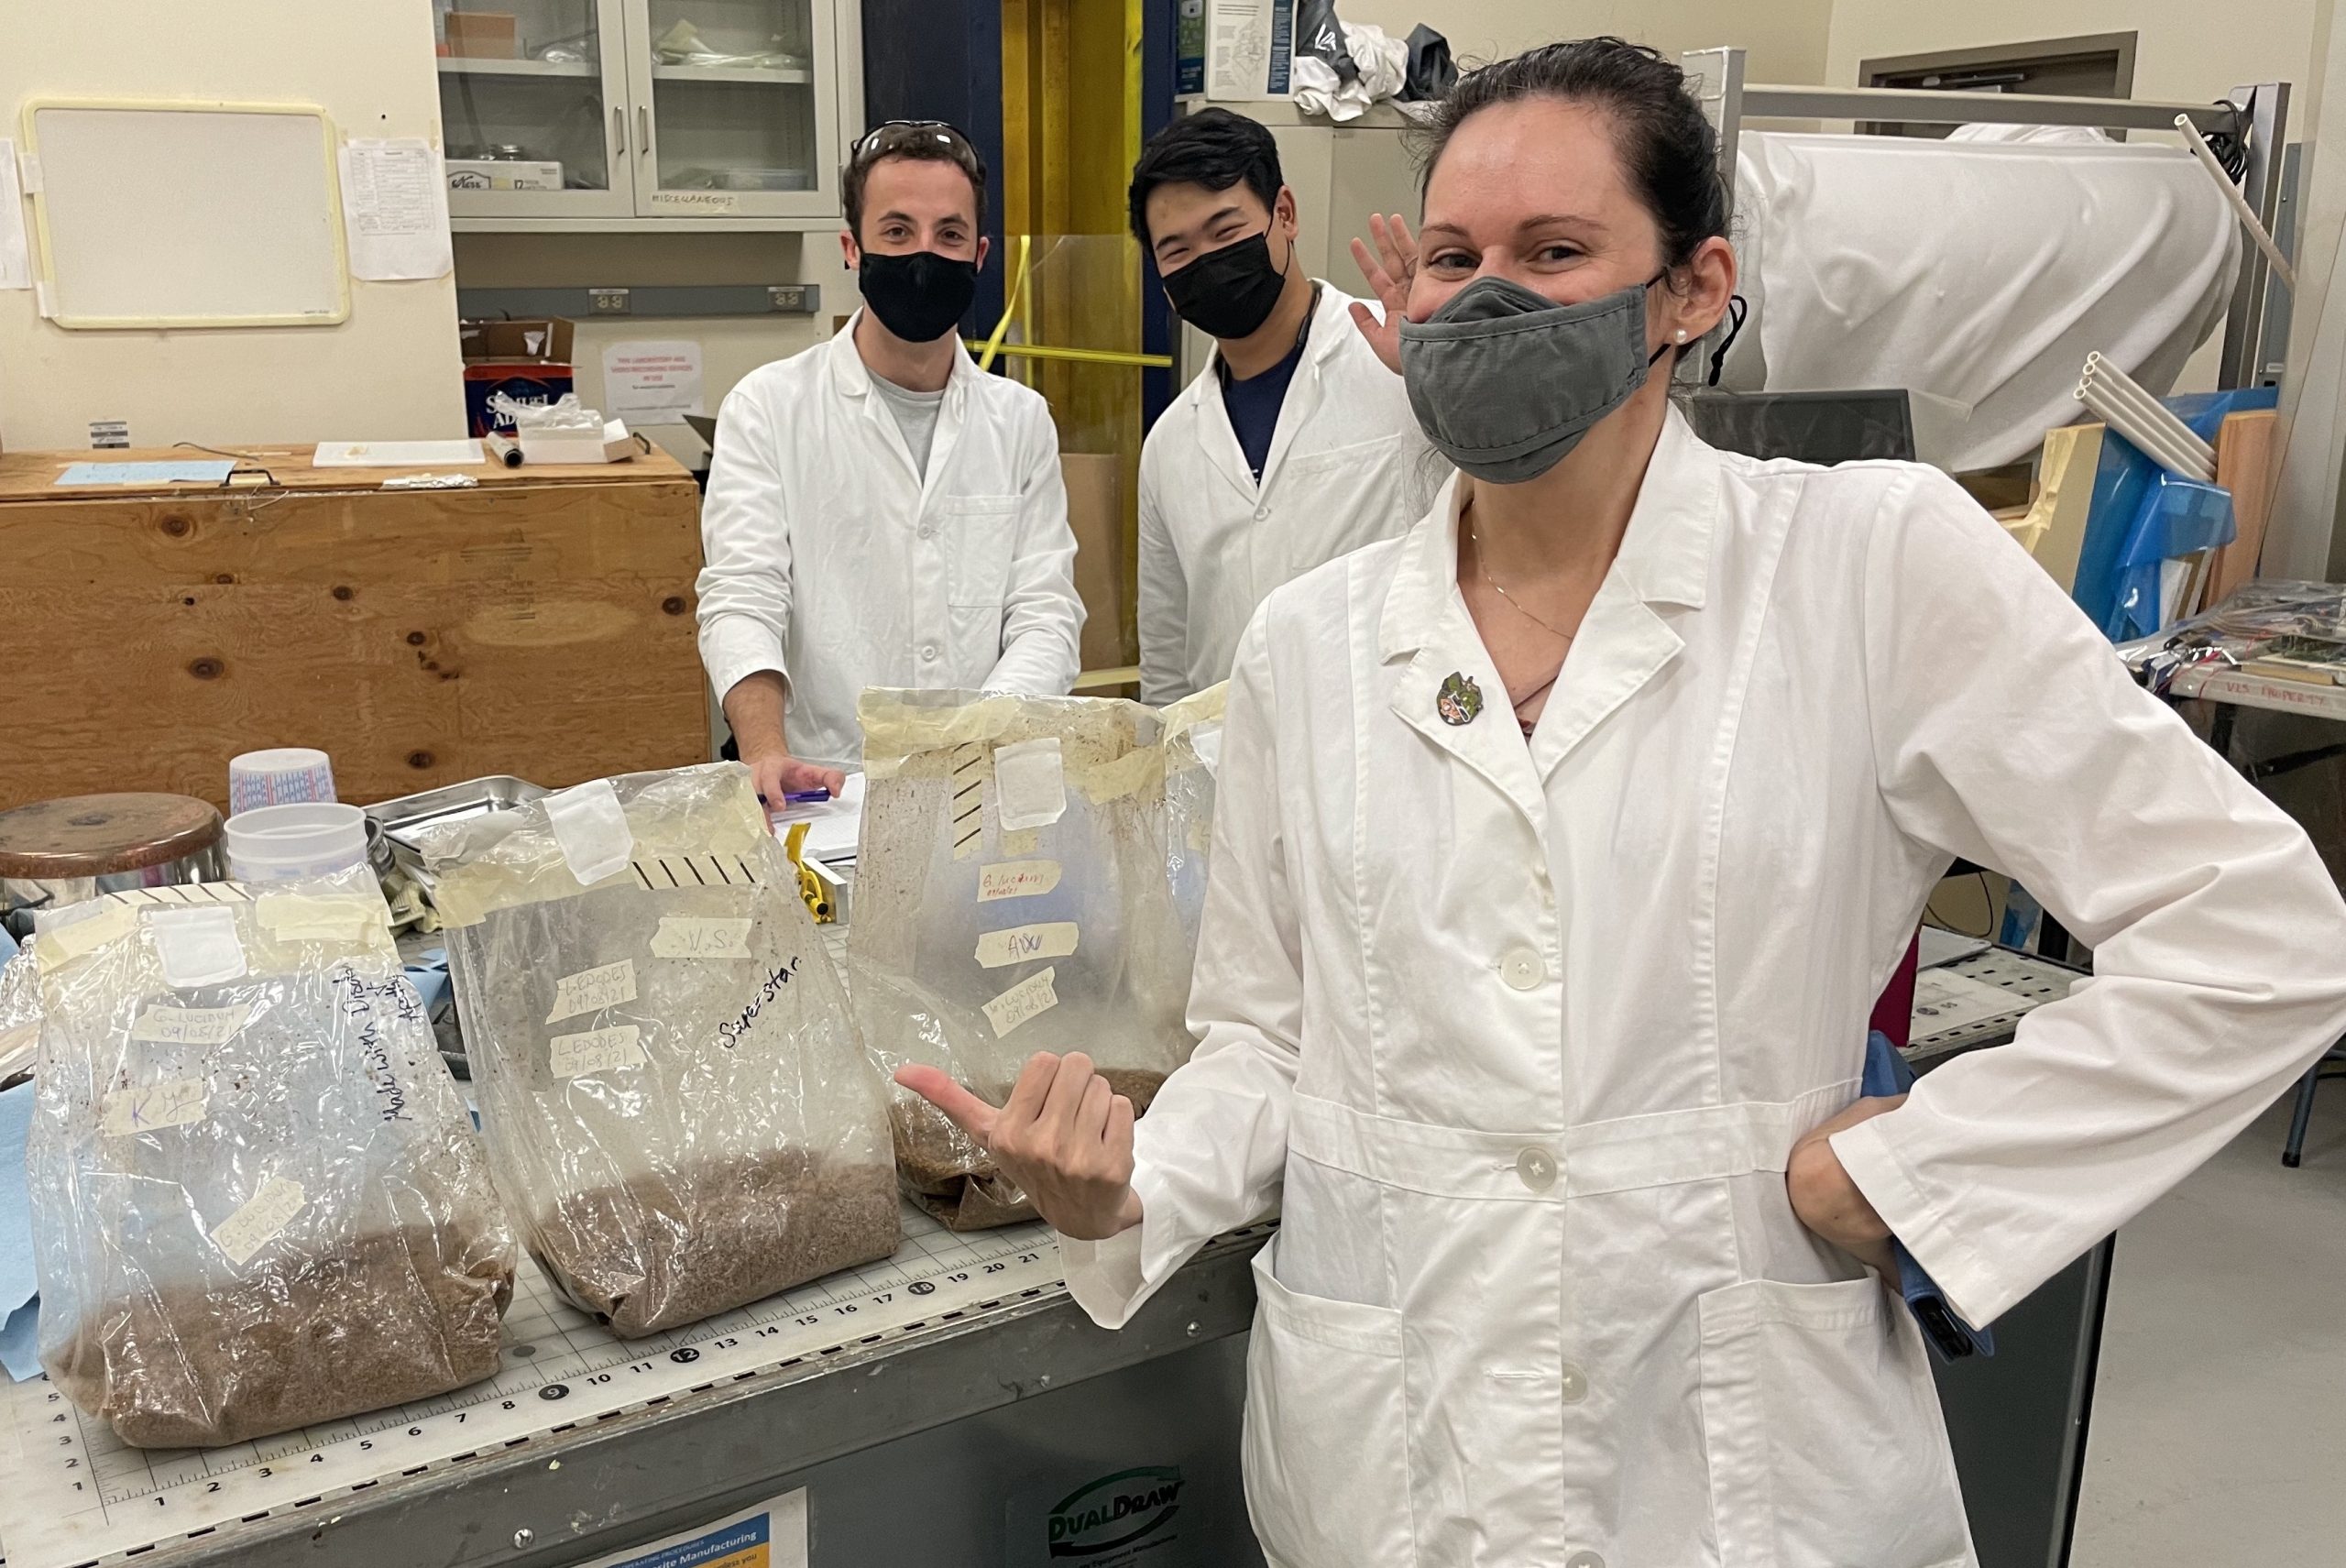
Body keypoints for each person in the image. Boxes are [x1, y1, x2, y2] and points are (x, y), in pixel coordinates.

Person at [902, 40, 2346, 1567]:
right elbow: (1269, 1035)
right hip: (1398, 1456)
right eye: (1454, 257)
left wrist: (1918, 1175)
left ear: (1693, 288)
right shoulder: (1309, 644)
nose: (1489, 298)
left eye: (1555, 251)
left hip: (1736, 1467)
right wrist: (1130, 1183)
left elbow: (2258, 934)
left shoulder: (1863, 564)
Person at [696, 121, 1083, 802]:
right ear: (853, 247)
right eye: (898, 231)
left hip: (986, 786)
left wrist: (980, 739)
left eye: (949, 234)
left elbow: (1045, 613)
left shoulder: (1021, 421)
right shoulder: (768, 408)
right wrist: (763, 749)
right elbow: (743, 596)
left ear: (980, 254)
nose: (924, 254)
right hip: (827, 785)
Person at [1130, 107, 1442, 706]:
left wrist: (1454, 365)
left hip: (1389, 735)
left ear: (1286, 214)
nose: (1207, 261)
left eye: (1225, 231)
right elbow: (1166, 658)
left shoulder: (1401, 364)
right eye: (1176, 250)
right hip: (1225, 750)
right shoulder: (1169, 444)